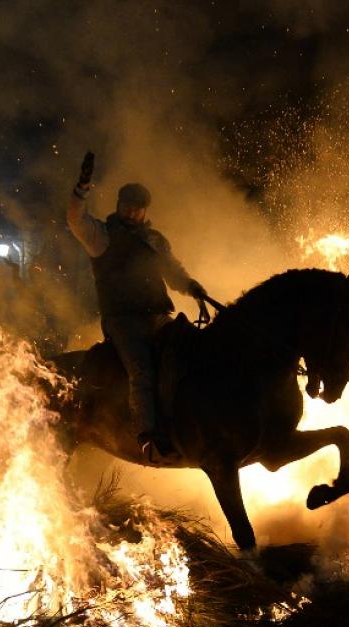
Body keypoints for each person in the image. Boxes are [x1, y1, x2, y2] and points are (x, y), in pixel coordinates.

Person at [66, 152, 207, 461]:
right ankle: (148, 435)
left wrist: (192, 287)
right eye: (127, 206)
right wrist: (82, 188)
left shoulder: (155, 241)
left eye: (137, 208)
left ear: (145, 211)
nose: (132, 212)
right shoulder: (101, 237)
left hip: (157, 315)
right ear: (118, 206)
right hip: (122, 321)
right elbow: (76, 220)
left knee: (190, 354)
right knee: (141, 368)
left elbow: (173, 272)